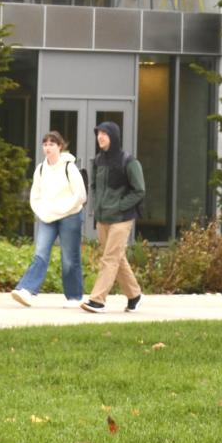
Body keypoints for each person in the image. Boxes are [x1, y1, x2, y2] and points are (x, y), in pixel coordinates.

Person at [12, 130, 87, 307]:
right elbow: (35, 195)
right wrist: (42, 212)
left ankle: (75, 297)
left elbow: (80, 195)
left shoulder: (70, 167)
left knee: (70, 258)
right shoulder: (40, 169)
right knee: (40, 253)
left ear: (60, 147)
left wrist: (63, 209)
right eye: (45, 144)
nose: (48, 148)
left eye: (52, 144)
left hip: (70, 217)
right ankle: (27, 290)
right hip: (47, 218)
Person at [80, 123, 145, 313]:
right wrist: (96, 207)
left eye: (104, 134)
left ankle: (97, 300)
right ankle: (135, 295)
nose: (100, 137)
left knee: (109, 258)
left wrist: (118, 206)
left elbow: (139, 191)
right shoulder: (98, 160)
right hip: (103, 218)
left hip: (122, 218)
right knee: (117, 257)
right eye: (98, 133)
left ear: (114, 137)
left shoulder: (129, 161)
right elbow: (93, 186)